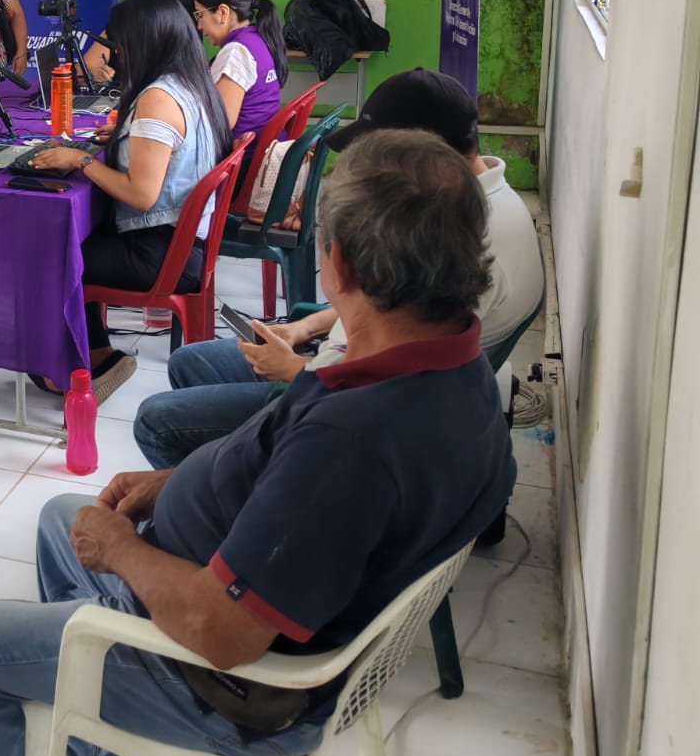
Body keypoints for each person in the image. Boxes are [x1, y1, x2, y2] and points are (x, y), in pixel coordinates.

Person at [0, 129, 516, 756]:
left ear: (340, 266)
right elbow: (292, 490)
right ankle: (95, 719)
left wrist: (123, 552)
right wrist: (173, 484)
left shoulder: (351, 444)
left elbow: (224, 633)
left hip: (218, 683)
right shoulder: (458, 368)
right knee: (60, 519)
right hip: (224, 580)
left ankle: (103, 677)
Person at [133, 66, 546, 476]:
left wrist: (294, 370)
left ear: (422, 154)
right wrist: (303, 328)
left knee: (156, 421)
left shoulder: (468, 241)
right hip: (335, 361)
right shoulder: (473, 206)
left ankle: (228, 489)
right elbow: (394, 304)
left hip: (340, 398)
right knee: (189, 362)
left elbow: (393, 383)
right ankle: (219, 474)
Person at [30, 0, 229, 402]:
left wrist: (80, 159)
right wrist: (126, 136)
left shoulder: (158, 98)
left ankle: (73, 370)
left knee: (51, 254)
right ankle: (98, 353)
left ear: (143, 42)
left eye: (119, 46)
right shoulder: (190, 83)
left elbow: (141, 195)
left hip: (159, 254)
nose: (116, 54)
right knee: (72, 239)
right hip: (184, 244)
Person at [192, 0, 287, 141]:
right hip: (261, 147)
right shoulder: (257, 38)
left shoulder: (236, 52)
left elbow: (220, 125)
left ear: (223, 12)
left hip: (245, 154)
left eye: (200, 15)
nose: (199, 26)